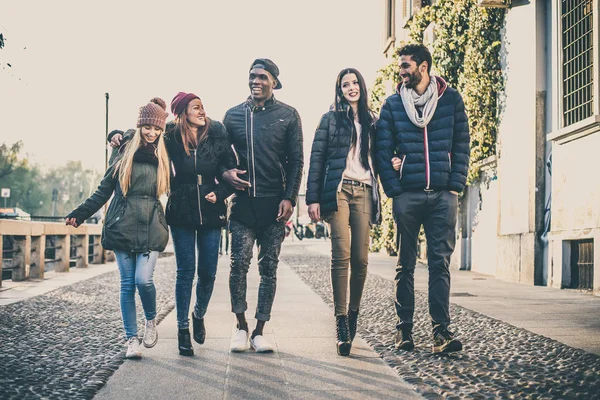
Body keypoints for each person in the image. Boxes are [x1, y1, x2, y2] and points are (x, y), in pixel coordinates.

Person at [108, 92, 236, 357]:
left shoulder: (217, 132)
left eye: (202, 107)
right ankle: (182, 329)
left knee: (208, 273)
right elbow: (144, 131)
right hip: (181, 208)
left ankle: (199, 313)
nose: (202, 111)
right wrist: (116, 133)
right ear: (182, 113)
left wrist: (221, 192)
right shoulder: (170, 135)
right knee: (185, 272)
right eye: (195, 108)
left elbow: (230, 168)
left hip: (211, 209)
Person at [375, 43, 470, 354]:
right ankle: (404, 330)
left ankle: (441, 332)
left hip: (443, 195)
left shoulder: (450, 99)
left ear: (423, 66)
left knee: (440, 264)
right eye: (400, 66)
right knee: (405, 264)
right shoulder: (392, 105)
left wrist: (454, 185)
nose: (400, 71)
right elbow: (382, 151)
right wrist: (394, 189)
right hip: (408, 196)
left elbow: (462, 143)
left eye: (406, 66)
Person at [66, 98, 170, 359]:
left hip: (151, 225)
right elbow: (103, 191)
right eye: (147, 127)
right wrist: (80, 213)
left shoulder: (165, 155)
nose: (151, 133)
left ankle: (150, 320)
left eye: (157, 129)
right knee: (127, 285)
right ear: (139, 126)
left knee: (143, 280)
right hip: (121, 224)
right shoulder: (123, 152)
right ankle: (130, 339)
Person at [221, 58, 303, 353]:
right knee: (238, 264)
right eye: (252, 76)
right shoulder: (232, 116)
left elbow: (296, 162)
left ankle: (259, 330)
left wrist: (290, 198)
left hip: (274, 206)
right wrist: (225, 174)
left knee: (269, 268)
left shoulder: (288, 116)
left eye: (262, 77)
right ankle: (240, 326)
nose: (256, 81)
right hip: (242, 204)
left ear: (274, 83)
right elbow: (219, 157)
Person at [306, 68, 381, 356]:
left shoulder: (373, 121)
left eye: (355, 83)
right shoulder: (330, 119)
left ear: (361, 86)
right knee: (342, 255)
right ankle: (340, 324)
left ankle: (352, 317)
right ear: (339, 90)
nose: (351, 88)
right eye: (345, 84)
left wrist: (397, 163)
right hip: (337, 191)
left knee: (361, 260)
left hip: (364, 191)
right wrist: (312, 198)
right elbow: (317, 159)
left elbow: (383, 154)